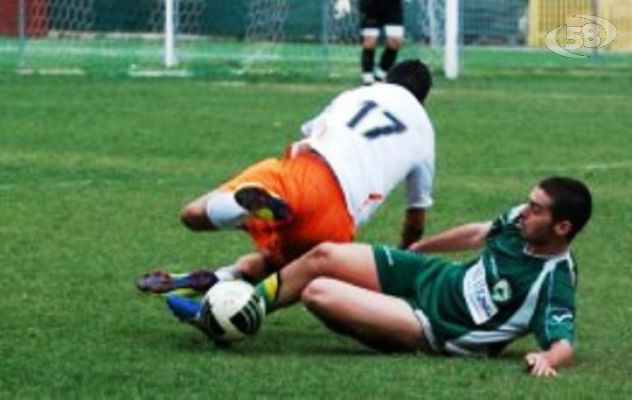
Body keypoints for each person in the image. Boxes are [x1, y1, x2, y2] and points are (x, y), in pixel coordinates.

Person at [185, 176, 590, 378]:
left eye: (537, 209)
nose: (524, 212)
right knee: (322, 255)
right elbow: (479, 232)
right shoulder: (520, 223)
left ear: (561, 228)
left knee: (318, 292)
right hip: (435, 277)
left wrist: (546, 358)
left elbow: (563, 343)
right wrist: (421, 248)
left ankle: (227, 318)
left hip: (438, 328)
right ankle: (237, 312)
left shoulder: (553, 278)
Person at [136, 60, 436, 296]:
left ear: (387, 80)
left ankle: (238, 210)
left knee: (192, 214)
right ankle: (223, 278)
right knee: (280, 265)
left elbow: (316, 133)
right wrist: (399, 260)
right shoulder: (423, 130)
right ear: (422, 101)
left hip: (299, 172)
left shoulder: (360, 93)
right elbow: (415, 219)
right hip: (336, 212)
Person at [335, 0, 406, 84]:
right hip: (370, 4)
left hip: (393, 5)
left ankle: (380, 74)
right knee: (370, 41)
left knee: (396, 41)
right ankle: (367, 77)